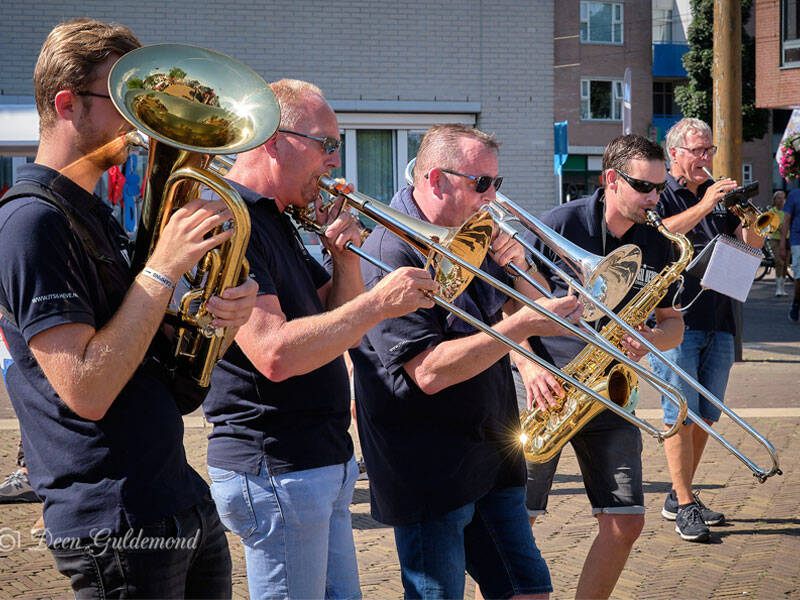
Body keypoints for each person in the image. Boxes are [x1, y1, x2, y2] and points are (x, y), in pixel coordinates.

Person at [0, 19, 259, 597]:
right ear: (67, 104)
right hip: (116, 519)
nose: (144, 122)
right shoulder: (30, 223)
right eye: (124, 104)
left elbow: (155, 367)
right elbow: (87, 388)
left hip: (174, 494)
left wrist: (218, 320)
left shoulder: (92, 212)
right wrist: (162, 269)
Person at [202, 79, 438, 600]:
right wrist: (380, 301)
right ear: (271, 139)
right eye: (326, 144)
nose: (335, 161)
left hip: (319, 458)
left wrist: (347, 257)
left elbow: (341, 323)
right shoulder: (229, 221)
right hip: (275, 461)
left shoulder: (277, 218)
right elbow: (275, 353)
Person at [351, 123, 583, 600]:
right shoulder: (390, 249)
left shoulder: (467, 232)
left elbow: (537, 311)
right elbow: (428, 372)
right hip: (432, 467)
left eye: (498, 183)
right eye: (482, 184)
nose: (493, 197)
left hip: (491, 452)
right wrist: (518, 330)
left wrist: (522, 267)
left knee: (529, 591)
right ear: (436, 180)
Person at [517, 134, 684, 599]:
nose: (655, 199)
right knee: (515, 523)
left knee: (625, 523)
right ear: (611, 179)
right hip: (543, 388)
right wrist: (530, 368)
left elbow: (674, 325)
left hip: (610, 390)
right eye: (645, 187)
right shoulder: (557, 225)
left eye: (661, 188)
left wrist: (649, 340)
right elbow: (502, 310)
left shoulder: (660, 243)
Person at [650, 117, 765, 543]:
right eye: (697, 150)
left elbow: (751, 248)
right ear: (675, 152)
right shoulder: (659, 193)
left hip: (720, 316)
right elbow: (660, 235)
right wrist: (703, 204)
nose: (705, 158)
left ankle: (679, 494)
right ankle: (684, 503)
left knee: (707, 415)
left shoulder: (722, 196)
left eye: (709, 150)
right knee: (680, 414)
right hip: (675, 317)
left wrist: (748, 217)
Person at [780, 187, 800, 320]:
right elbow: (786, 220)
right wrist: (782, 243)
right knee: (799, 275)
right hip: (798, 239)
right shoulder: (794, 195)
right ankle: (796, 302)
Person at [767, 191, 788, 296]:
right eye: (778, 198)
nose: (781, 200)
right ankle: (778, 288)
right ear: (774, 200)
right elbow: (771, 226)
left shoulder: (787, 211)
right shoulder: (772, 211)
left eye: (783, 198)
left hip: (788, 239)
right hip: (775, 239)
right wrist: (780, 227)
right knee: (779, 262)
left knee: (785, 264)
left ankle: (783, 288)